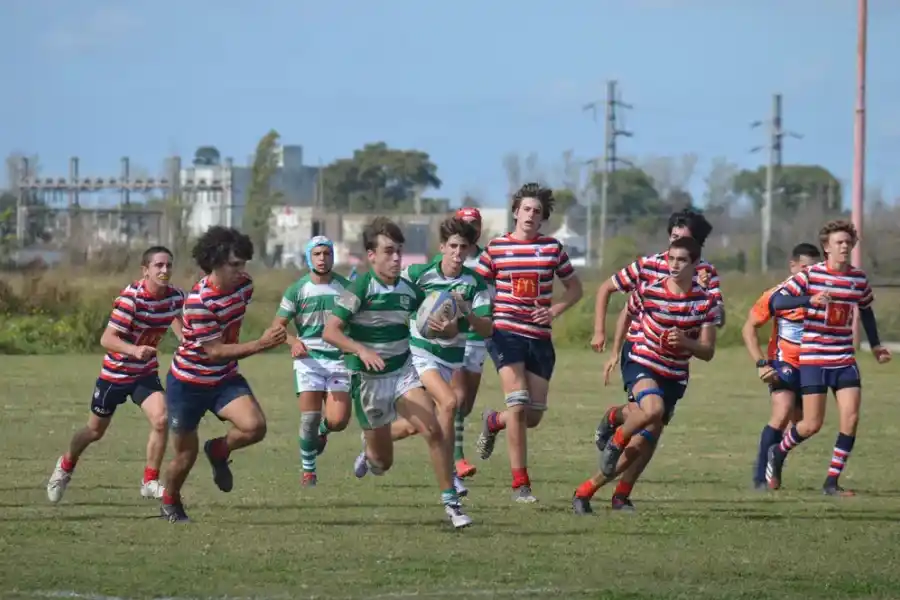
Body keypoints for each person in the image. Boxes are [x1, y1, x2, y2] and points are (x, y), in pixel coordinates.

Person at [323, 217, 472, 528]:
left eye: (399, 252)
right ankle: (370, 451)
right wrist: (361, 350)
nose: (395, 258)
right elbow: (331, 332)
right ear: (371, 255)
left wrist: (446, 328)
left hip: (403, 372)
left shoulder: (408, 289)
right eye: (388, 252)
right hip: (368, 381)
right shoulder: (359, 288)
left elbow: (434, 323)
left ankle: (452, 504)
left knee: (432, 429)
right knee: (383, 462)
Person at [573, 236, 718, 514]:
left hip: (674, 375)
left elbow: (708, 351)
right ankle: (616, 440)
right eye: (671, 259)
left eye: (682, 260)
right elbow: (626, 316)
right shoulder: (650, 290)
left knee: (642, 442)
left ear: (696, 264)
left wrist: (686, 343)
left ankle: (586, 490)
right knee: (653, 409)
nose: (674, 265)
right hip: (642, 359)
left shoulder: (705, 302)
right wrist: (615, 351)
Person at [160, 227, 287, 523]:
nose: (240, 271)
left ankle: (218, 449)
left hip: (224, 379)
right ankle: (170, 501)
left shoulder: (245, 286)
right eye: (234, 265)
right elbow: (214, 351)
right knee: (184, 457)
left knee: (255, 427)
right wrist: (261, 344)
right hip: (187, 383)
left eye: (243, 264)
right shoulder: (198, 303)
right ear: (214, 262)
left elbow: (224, 348)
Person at [363, 216, 493, 497]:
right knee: (449, 402)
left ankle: (373, 443)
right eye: (453, 246)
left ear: (471, 250)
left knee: (420, 424)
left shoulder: (477, 285)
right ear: (442, 246)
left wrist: (464, 314)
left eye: (464, 247)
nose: (458, 254)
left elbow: (487, 328)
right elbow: (393, 290)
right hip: (419, 353)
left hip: (450, 359)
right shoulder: (419, 273)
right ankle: (451, 476)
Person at [47, 246, 184, 504]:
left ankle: (149, 481)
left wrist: (183, 336)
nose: (165, 270)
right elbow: (106, 338)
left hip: (144, 374)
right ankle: (65, 465)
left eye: (168, 265)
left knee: (162, 418)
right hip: (116, 375)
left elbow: (175, 312)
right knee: (94, 432)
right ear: (145, 270)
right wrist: (133, 350)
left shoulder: (176, 296)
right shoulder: (131, 299)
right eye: (159, 266)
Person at [474, 183, 583, 503]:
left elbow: (574, 289)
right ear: (515, 212)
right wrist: (478, 317)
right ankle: (521, 484)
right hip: (505, 333)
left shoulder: (552, 249)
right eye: (526, 209)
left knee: (531, 416)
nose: (531, 215)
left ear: (543, 217)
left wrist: (554, 310)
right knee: (518, 403)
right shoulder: (495, 248)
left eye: (537, 211)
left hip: (539, 339)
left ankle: (493, 422)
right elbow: (477, 288)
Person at [766, 220, 891, 496]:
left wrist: (876, 345)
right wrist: (808, 301)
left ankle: (831, 482)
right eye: (839, 242)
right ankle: (778, 452)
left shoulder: (857, 279)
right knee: (812, 424)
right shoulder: (810, 276)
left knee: (851, 417)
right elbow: (777, 303)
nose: (844, 246)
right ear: (827, 247)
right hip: (814, 359)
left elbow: (866, 311)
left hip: (844, 359)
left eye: (848, 242)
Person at [272, 236, 352, 487]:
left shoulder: (346, 288)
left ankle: (323, 433)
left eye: (327, 254)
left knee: (338, 421)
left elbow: (358, 320)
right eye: (317, 254)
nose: (322, 258)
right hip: (309, 360)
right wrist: (294, 341)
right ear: (309, 257)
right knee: (309, 418)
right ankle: (309, 472)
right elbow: (277, 327)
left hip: (339, 360)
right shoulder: (297, 290)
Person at [741, 243, 821, 490]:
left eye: (815, 270)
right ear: (793, 266)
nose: (809, 274)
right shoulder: (777, 295)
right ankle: (759, 479)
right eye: (805, 268)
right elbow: (748, 328)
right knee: (782, 411)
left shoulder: (822, 296)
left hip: (813, 365)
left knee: (806, 423)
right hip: (784, 362)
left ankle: (775, 459)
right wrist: (761, 363)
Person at [451, 207, 489, 480]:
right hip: (452, 336)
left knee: (465, 407)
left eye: (474, 224)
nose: (470, 227)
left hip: (479, 338)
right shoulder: (451, 257)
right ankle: (458, 460)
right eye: (464, 223)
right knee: (457, 399)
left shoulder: (489, 258)